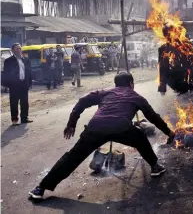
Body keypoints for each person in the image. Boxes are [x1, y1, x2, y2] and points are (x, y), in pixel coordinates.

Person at [28, 72, 175, 200]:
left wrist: (71, 123)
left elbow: (82, 102)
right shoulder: (136, 96)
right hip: (121, 128)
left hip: (95, 128)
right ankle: (155, 166)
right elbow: (153, 117)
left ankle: (40, 188)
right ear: (131, 83)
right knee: (140, 139)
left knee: (72, 157)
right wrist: (169, 132)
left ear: (116, 83)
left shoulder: (104, 92)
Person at [158, 25, 193, 95]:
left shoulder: (188, 45)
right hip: (176, 81)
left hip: (190, 79)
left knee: (190, 99)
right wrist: (162, 87)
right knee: (182, 100)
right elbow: (163, 68)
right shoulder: (163, 49)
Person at [3, 43, 33, 124]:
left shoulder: (26, 60)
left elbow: (29, 72)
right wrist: (7, 84)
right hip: (14, 85)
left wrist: (29, 83)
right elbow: (6, 74)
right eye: (17, 49)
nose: (19, 50)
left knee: (24, 102)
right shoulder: (8, 61)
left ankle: (24, 118)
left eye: (20, 48)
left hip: (24, 84)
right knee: (14, 102)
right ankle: (14, 119)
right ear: (13, 50)